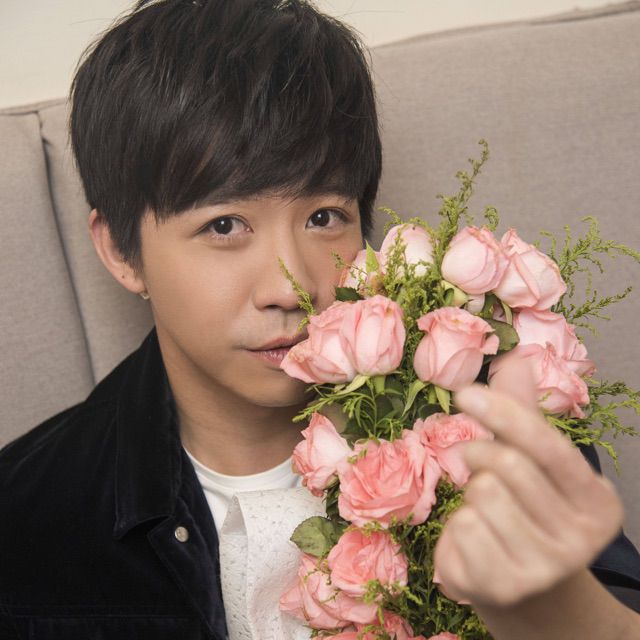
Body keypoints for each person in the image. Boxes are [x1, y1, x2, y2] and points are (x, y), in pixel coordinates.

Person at [0, 1, 639, 639]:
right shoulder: (27, 518)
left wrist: (556, 610)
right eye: (224, 226)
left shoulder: (485, 418)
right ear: (120, 250)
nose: (292, 289)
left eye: (324, 218)